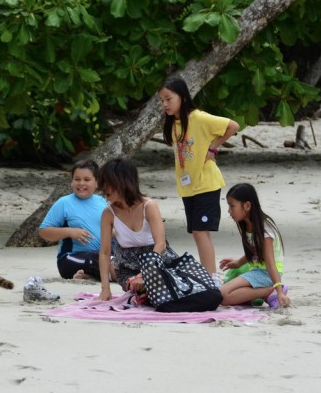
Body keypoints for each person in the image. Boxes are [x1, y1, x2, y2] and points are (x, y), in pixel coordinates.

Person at [159, 77, 240, 282]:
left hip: (206, 184)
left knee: (199, 232)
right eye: (162, 100)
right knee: (199, 233)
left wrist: (214, 147)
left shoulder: (199, 118)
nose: (165, 104)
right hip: (189, 187)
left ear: (183, 97)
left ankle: (211, 278)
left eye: (169, 99)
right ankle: (209, 275)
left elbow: (233, 125)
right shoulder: (175, 123)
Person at [96, 158, 172, 301]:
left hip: (158, 263)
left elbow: (160, 245)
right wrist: (105, 289)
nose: (104, 189)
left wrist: (145, 274)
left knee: (167, 289)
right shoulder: (108, 214)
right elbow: (105, 252)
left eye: (108, 183)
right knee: (144, 293)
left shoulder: (149, 206)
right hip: (127, 268)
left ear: (124, 182)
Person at [39, 159, 115, 280]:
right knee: (101, 259)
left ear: (97, 183)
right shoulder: (64, 203)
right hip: (70, 258)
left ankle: (89, 275)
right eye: (77, 179)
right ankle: (123, 276)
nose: (81, 183)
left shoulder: (103, 202)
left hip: (105, 254)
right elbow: (44, 232)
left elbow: (113, 229)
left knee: (123, 257)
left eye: (87, 179)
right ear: (71, 182)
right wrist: (70, 232)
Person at [219, 183, 290, 309]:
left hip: (267, 273)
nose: (229, 211)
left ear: (247, 206)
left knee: (222, 295)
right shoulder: (248, 224)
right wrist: (238, 263)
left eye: (232, 206)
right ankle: (265, 292)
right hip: (257, 270)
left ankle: (269, 291)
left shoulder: (264, 229)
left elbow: (270, 263)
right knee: (224, 293)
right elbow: (255, 251)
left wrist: (278, 290)